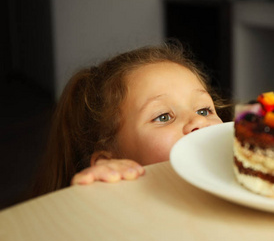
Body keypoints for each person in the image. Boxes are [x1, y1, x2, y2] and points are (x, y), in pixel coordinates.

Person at [31, 41, 228, 198]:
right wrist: (104, 196)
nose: (198, 121)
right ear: (113, 162)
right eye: (163, 117)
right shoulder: (117, 202)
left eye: (203, 110)